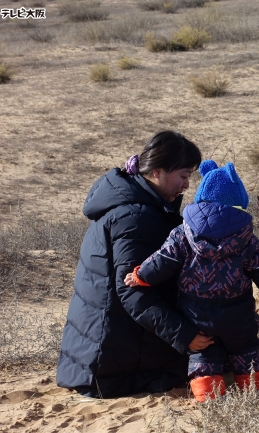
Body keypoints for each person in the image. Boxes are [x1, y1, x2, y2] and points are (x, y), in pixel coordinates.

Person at [124, 159, 259, 402]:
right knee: (245, 350)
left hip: (196, 315)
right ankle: (251, 391)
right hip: (239, 315)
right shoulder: (246, 236)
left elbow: (162, 261)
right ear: (238, 203)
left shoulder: (183, 233)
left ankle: (208, 396)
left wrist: (139, 276)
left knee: (203, 353)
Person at [57, 130, 214, 398]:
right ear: (157, 172)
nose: (187, 185)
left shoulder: (139, 204)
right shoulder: (136, 216)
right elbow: (132, 290)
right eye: (184, 176)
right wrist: (184, 334)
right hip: (109, 365)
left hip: (100, 352)